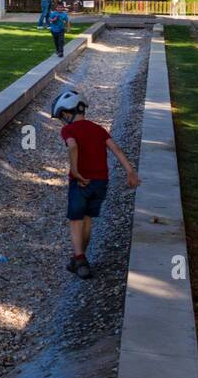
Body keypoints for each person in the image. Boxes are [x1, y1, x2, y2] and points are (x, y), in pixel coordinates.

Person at [51, 89, 141, 279]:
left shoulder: (68, 130)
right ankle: (78, 258)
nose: (61, 120)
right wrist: (130, 171)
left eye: (61, 116)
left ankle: (80, 259)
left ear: (67, 113)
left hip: (81, 181)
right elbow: (115, 148)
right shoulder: (98, 128)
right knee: (87, 219)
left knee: (76, 220)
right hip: (101, 182)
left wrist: (75, 170)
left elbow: (73, 146)